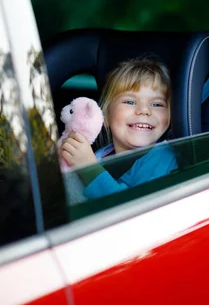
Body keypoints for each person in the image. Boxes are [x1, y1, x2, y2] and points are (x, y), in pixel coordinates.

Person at [60, 56, 178, 200]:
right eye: (129, 102)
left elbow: (133, 211)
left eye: (157, 104)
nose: (144, 110)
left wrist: (90, 170)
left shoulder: (163, 160)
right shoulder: (101, 155)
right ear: (105, 116)